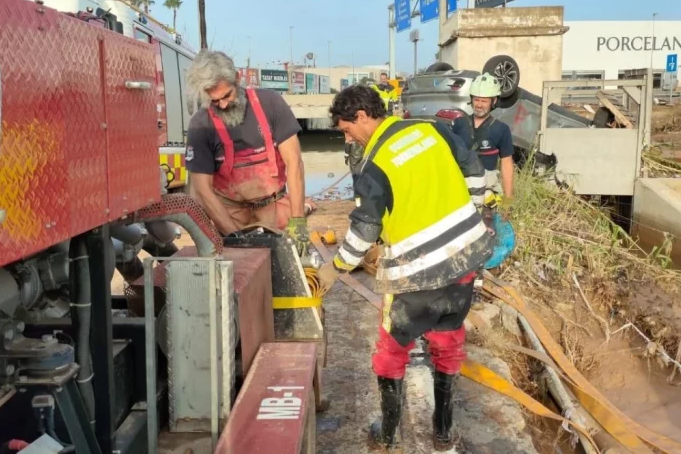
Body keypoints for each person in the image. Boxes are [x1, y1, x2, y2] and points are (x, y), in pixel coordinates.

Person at [317, 85, 493, 450]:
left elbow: (365, 230)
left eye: (347, 129)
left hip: (416, 274)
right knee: (447, 340)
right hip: (464, 258)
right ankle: (443, 432)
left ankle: (389, 433)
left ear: (363, 117)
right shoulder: (430, 130)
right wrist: (473, 210)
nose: (348, 138)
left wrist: (337, 267)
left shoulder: (374, 164)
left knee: (391, 350)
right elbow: (474, 170)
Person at [184, 50, 309, 252]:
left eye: (227, 95)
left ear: (237, 79)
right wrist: (236, 238)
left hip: (275, 210)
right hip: (229, 214)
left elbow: (294, 163)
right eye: (214, 101)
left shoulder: (271, 104)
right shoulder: (200, 125)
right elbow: (203, 190)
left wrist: (298, 221)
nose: (222, 105)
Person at [451, 73, 515, 199]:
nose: (479, 105)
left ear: (494, 101)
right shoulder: (459, 124)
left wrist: (508, 198)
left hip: (487, 192)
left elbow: (506, 163)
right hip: (462, 192)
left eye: (484, 101)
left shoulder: (501, 129)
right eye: (476, 100)